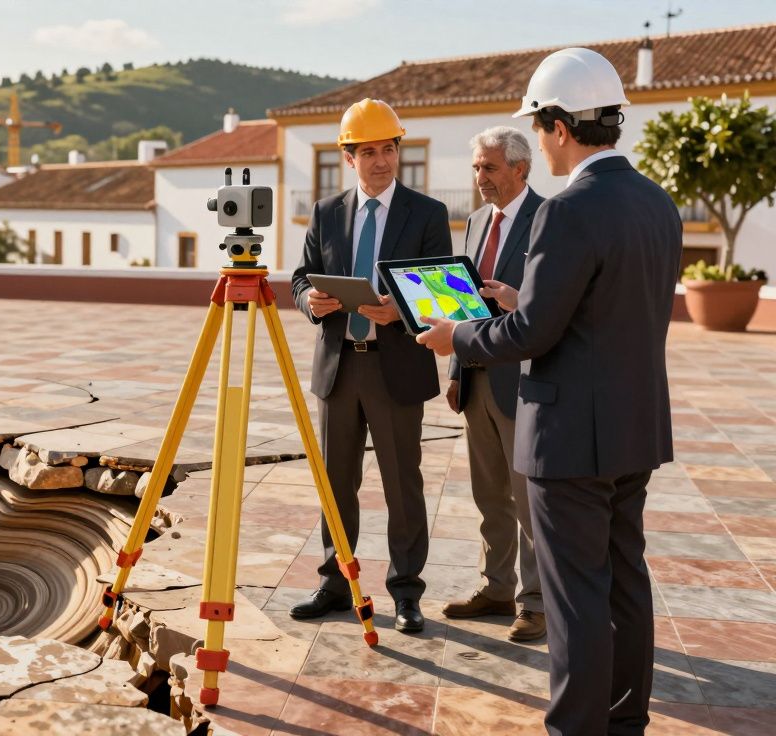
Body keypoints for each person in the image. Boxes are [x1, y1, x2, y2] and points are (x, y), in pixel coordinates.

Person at [416, 48, 681, 735]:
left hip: (569, 439)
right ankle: (625, 721)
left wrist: (458, 337)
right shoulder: (658, 204)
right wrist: (522, 300)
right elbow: (608, 311)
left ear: (560, 127)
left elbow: (532, 334)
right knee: (626, 581)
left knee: (575, 598)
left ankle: (574, 726)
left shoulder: (566, 211)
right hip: (634, 427)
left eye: (537, 127)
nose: (537, 141)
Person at [290, 98, 451, 633]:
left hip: (396, 367)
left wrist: (399, 311)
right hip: (339, 369)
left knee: (402, 486)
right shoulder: (326, 212)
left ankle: (406, 592)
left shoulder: (427, 214)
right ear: (349, 157)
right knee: (336, 484)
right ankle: (336, 583)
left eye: (388, 149)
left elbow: (442, 293)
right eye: (368, 152)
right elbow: (301, 276)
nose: (381, 161)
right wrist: (309, 300)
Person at [441, 127, 548, 642]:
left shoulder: (549, 218)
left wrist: (517, 298)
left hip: (523, 381)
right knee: (489, 494)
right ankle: (497, 588)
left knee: (529, 500)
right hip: (475, 376)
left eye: (489, 168)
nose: (480, 178)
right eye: (476, 168)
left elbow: (551, 303)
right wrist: (455, 370)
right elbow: (462, 301)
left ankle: (537, 603)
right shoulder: (476, 221)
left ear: (520, 169)